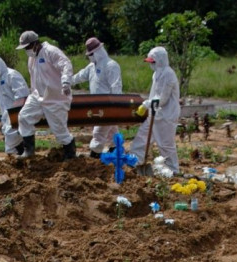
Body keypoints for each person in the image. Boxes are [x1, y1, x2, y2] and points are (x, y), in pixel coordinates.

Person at [15, 31, 76, 161]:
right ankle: (29, 150)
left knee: (59, 131)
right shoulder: (32, 58)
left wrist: (65, 81)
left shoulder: (51, 52)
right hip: (37, 96)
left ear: (35, 43)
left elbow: (66, 64)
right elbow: (34, 78)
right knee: (24, 117)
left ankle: (70, 156)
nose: (27, 50)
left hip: (55, 98)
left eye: (27, 47)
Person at [128, 46, 181, 175]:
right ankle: (135, 162)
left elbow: (162, 99)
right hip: (154, 113)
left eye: (153, 61)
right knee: (142, 137)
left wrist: (146, 104)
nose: (151, 64)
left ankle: (172, 171)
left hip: (167, 115)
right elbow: (154, 95)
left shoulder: (168, 74)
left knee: (165, 145)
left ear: (160, 60)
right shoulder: (156, 73)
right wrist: (149, 106)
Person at [71, 37, 123, 158]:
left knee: (98, 132)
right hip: (97, 105)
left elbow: (116, 87)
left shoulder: (111, 65)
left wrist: (117, 106)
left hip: (108, 106)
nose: (90, 56)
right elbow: (79, 76)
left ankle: (94, 156)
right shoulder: (91, 67)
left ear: (98, 51)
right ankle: (116, 154)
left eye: (91, 54)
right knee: (112, 132)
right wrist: (65, 82)